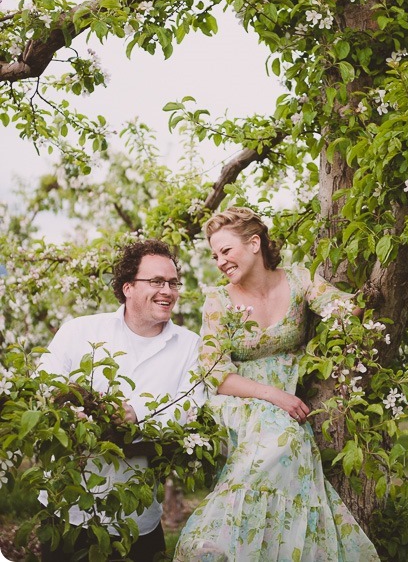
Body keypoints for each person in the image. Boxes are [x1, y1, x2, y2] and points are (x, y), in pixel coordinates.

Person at [174, 207, 380, 562]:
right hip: (239, 398)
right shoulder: (218, 301)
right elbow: (214, 372)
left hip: (285, 402)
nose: (220, 261)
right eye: (214, 255)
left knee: (289, 440)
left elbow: (339, 309)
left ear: (254, 243)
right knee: (281, 434)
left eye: (226, 250)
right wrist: (274, 395)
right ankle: (213, 542)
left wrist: (370, 290)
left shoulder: (299, 279)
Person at [38, 239, 204, 562]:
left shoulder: (190, 346)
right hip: (66, 511)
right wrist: (70, 411)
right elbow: (44, 385)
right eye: (156, 281)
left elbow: (192, 411)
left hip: (137, 521)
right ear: (127, 287)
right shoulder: (80, 331)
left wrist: (137, 415)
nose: (167, 290)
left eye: (172, 282)